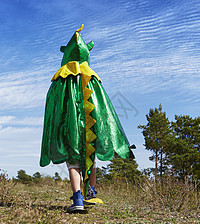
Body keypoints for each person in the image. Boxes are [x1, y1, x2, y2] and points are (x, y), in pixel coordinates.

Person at [40, 25, 133, 213]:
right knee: (89, 155)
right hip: (92, 125)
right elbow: (104, 107)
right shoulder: (92, 77)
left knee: (73, 160)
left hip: (70, 126)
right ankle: (90, 192)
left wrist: (58, 127)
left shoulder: (60, 79)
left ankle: (78, 198)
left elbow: (55, 108)